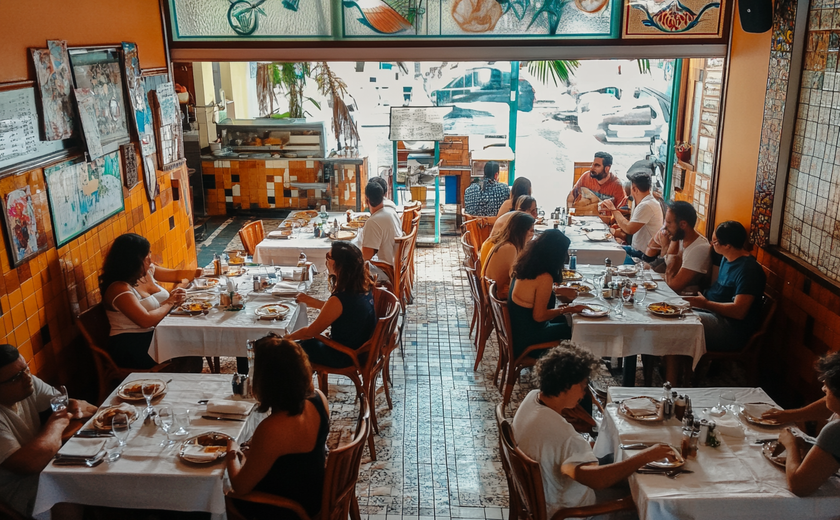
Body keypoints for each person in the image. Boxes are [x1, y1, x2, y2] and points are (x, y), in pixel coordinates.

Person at [512, 343, 675, 517]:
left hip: (543, 499)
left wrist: (587, 429)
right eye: (583, 386)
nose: (584, 393)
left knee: (622, 470)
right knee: (649, 504)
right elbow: (598, 480)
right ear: (568, 385)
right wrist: (647, 456)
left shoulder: (532, 398)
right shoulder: (565, 437)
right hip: (570, 512)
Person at [227, 335, 329, 520]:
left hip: (290, 508)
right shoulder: (319, 399)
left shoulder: (272, 428)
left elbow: (240, 487)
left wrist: (232, 453)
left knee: (219, 494)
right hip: (317, 492)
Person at [0, 344, 97, 516]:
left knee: (98, 468)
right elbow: (28, 464)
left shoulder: (26, 383)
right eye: (15, 377)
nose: (27, 378)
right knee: (67, 493)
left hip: (46, 468)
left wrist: (74, 406)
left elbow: (70, 405)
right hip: (16, 489)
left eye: (26, 368)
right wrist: (57, 423)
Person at [100, 233, 202, 370]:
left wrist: (172, 300)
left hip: (149, 336)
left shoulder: (136, 277)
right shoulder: (119, 289)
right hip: (131, 345)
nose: (150, 262)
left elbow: (151, 311)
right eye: (146, 258)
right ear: (132, 262)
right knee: (187, 353)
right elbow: (146, 320)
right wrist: (170, 302)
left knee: (192, 345)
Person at [761, 351, 840, 496]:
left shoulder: (836, 431)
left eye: (827, 388)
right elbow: (828, 403)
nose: (823, 389)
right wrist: (790, 415)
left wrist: (791, 444)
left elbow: (799, 486)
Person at [288, 242, 376, 368]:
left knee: (293, 350)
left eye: (328, 257)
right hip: (361, 348)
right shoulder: (363, 286)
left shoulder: (340, 299)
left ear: (339, 265)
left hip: (345, 355)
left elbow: (310, 332)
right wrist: (310, 301)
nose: (326, 260)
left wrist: (286, 338)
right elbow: (343, 311)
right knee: (303, 343)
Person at [683, 221, 766, 352]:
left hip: (730, 327)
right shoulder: (726, 258)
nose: (712, 244)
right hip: (711, 312)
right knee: (669, 312)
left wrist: (705, 304)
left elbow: (739, 312)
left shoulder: (749, 270)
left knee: (680, 323)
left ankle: (678, 369)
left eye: (715, 242)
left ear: (727, 245)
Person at [508, 230, 589, 359]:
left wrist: (555, 291)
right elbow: (539, 316)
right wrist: (569, 309)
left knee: (567, 321)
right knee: (579, 330)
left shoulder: (527, 265)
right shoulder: (544, 277)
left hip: (517, 332)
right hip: (527, 341)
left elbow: (531, 293)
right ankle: (573, 371)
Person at [599, 167, 663, 262]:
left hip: (642, 255)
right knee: (606, 250)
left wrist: (613, 209)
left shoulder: (647, 205)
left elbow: (629, 229)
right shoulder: (642, 201)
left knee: (607, 256)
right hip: (634, 249)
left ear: (634, 189)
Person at [657, 201, 711, 294]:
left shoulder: (699, 249)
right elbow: (667, 263)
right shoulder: (680, 238)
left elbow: (674, 286)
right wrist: (669, 244)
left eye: (669, 223)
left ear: (683, 225)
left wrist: (674, 258)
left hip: (686, 300)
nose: (665, 227)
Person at [481, 212, 536, 297]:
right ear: (521, 231)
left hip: (493, 295)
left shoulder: (507, 243)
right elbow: (514, 277)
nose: (532, 234)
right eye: (531, 231)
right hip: (499, 300)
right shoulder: (509, 248)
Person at [360, 180, 403, 283]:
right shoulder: (391, 212)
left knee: (346, 268)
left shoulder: (373, 222)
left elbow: (365, 257)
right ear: (383, 197)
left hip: (385, 271)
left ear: (367, 200)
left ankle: (349, 298)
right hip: (398, 265)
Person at [566, 152, 627, 217]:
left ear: (607, 168)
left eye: (597, 165)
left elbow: (622, 211)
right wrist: (570, 213)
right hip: (583, 219)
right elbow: (571, 196)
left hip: (604, 223)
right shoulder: (586, 177)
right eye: (592, 164)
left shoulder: (616, 185)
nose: (592, 168)